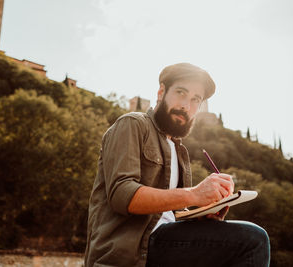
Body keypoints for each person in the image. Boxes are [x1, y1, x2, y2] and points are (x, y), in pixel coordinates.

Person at [84, 63, 270, 267]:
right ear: (161, 92)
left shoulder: (180, 152)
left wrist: (201, 215)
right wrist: (194, 194)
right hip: (129, 253)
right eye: (181, 93)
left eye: (195, 100)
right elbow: (121, 194)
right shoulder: (133, 124)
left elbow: (168, 217)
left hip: (164, 246)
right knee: (252, 240)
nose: (186, 105)